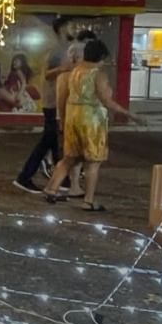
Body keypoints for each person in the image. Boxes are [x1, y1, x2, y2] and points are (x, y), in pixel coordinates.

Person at [43, 39, 140, 211]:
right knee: (93, 162)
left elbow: (65, 95)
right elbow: (106, 101)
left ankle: (51, 189)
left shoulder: (74, 71)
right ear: (101, 56)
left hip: (73, 116)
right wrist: (129, 114)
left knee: (69, 157)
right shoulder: (97, 74)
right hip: (91, 119)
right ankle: (88, 201)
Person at [13, 17, 75, 193]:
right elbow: (48, 74)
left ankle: (61, 179)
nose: (74, 29)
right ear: (62, 29)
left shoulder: (64, 49)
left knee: (55, 141)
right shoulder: (57, 51)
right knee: (48, 139)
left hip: (58, 101)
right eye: (71, 26)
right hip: (52, 102)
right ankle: (24, 177)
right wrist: (64, 69)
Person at [52, 28, 97, 199]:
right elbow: (62, 100)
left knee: (74, 157)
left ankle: (69, 186)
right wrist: (62, 120)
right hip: (71, 121)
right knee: (70, 157)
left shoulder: (80, 74)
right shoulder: (68, 75)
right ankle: (61, 187)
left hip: (78, 121)